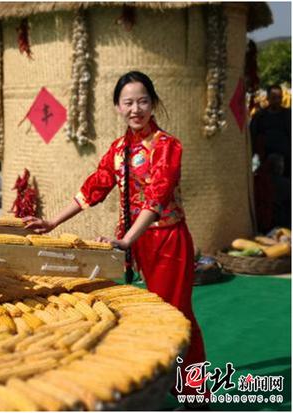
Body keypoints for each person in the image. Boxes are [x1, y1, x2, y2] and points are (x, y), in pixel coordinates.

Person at [24, 71, 209, 405]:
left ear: (153, 104)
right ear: (116, 107)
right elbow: (94, 186)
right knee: (154, 313)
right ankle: (170, 380)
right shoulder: (119, 150)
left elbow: (157, 197)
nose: (135, 108)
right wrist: (51, 222)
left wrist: (126, 239)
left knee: (177, 314)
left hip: (167, 240)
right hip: (139, 243)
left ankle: (194, 391)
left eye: (142, 101)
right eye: (128, 102)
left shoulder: (168, 147)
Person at [250, 84, 291, 178]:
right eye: (274, 98)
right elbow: (253, 138)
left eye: (279, 98)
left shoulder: (288, 115)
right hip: (266, 162)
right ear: (267, 98)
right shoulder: (259, 117)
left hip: (287, 162)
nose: (277, 101)